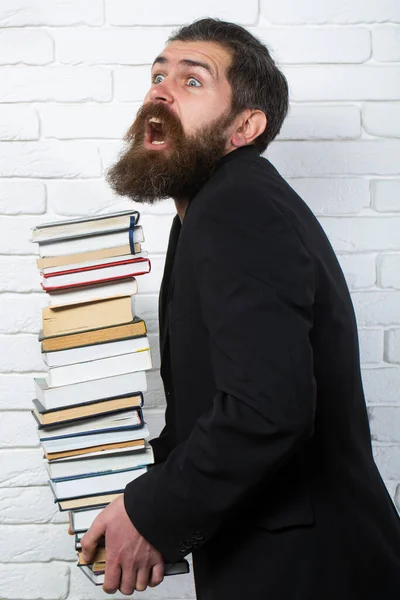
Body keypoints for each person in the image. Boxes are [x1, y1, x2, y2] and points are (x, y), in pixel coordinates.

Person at [80, 18, 400, 599]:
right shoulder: (212, 208)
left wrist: (152, 514)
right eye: (158, 75)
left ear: (245, 127)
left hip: (310, 569)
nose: (160, 90)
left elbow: (266, 408)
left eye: (193, 80)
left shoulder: (238, 205)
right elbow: (226, 400)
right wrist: (132, 492)